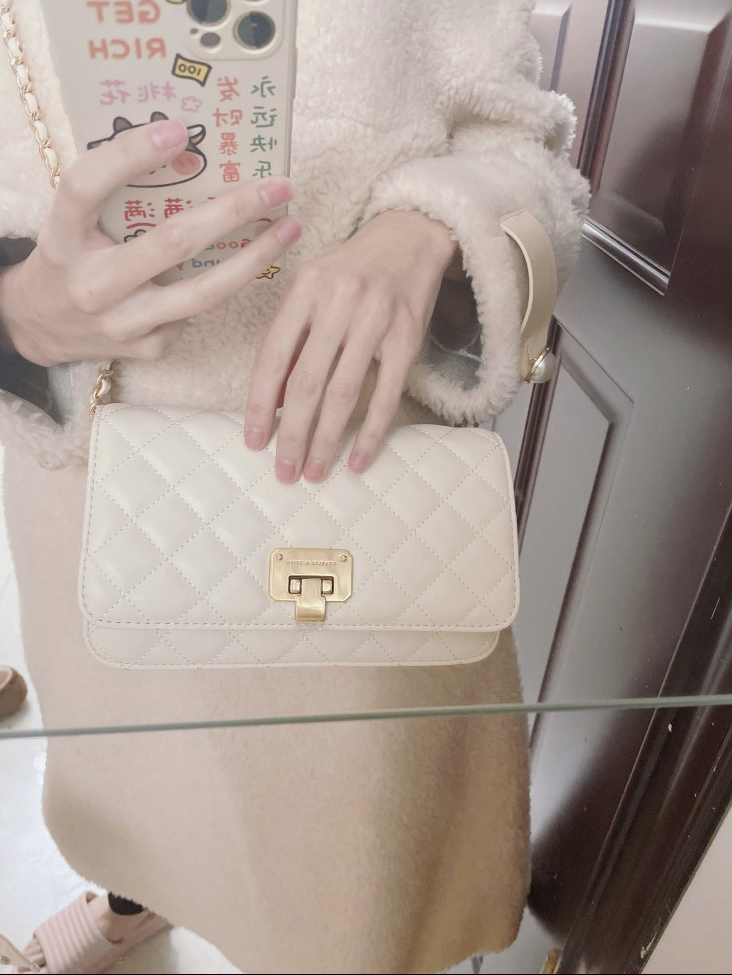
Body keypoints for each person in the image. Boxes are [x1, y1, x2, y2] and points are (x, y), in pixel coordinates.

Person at [0, 1, 590, 973]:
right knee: (138, 786)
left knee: (341, 875)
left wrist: (427, 226)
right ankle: (134, 896)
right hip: (93, 482)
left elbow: (526, 148)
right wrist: (18, 309)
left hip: (348, 486)